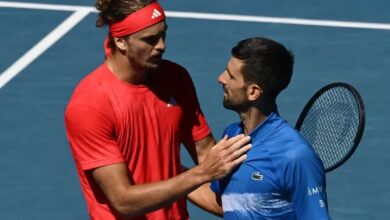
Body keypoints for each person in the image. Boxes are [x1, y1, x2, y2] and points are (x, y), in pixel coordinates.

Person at [64, 1, 251, 220]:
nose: (161, 45)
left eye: (163, 35)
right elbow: (123, 201)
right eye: (150, 40)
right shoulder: (90, 105)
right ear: (121, 42)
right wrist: (201, 174)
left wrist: (251, 204)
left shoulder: (175, 78)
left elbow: (206, 153)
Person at [209, 37, 331, 219]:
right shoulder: (232, 135)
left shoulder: (295, 157)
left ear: (253, 92)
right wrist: (168, 171)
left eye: (230, 75)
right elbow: (225, 205)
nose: (221, 79)